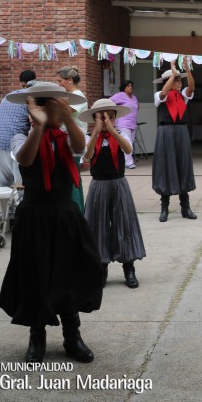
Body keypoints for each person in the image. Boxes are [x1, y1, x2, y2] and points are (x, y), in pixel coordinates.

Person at [0, 82, 103, 363]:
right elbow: (26, 159)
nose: (51, 112)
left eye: (55, 106)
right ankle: (37, 337)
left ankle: (72, 336)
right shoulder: (21, 137)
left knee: (69, 274)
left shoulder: (67, 136)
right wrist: (40, 127)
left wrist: (68, 116)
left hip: (65, 215)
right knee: (36, 275)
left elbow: (82, 150)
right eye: (45, 107)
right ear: (33, 111)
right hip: (34, 217)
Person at [81, 99, 146, 289]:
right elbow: (87, 155)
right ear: (94, 118)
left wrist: (112, 130)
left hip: (118, 183)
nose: (106, 120)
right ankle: (101, 268)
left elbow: (127, 149)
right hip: (98, 185)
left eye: (111, 116)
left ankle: (129, 268)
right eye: (102, 117)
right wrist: (97, 130)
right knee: (98, 225)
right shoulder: (88, 136)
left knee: (124, 224)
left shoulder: (122, 133)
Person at [153, 59, 197, 222]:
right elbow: (164, 94)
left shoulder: (182, 96)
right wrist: (173, 74)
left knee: (183, 165)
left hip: (181, 132)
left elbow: (191, 88)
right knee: (166, 166)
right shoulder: (159, 95)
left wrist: (187, 70)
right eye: (177, 80)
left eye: (179, 80)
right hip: (166, 132)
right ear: (169, 81)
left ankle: (185, 207)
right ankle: (164, 208)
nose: (179, 83)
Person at [0, 69, 37, 188]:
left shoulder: (9, 96)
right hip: (14, 144)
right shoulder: (32, 97)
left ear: (21, 82)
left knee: (4, 188)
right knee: (20, 186)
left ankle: (6, 207)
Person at [56, 66, 88, 213]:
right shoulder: (70, 96)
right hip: (68, 141)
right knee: (73, 177)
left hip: (72, 142)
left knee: (72, 177)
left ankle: (76, 211)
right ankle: (79, 211)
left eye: (60, 81)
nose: (59, 84)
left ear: (69, 80)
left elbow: (66, 113)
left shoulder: (78, 96)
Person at [110, 81, 140, 169]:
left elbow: (137, 106)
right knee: (127, 142)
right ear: (124, 87)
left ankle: (122, 161)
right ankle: (129, 162)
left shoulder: (134, 97)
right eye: (128, 86)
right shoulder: (120, 95)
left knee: (130, 142)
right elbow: (110, 101)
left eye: (131, 86)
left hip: (132, 123)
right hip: (123, 123)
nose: (130, 87)